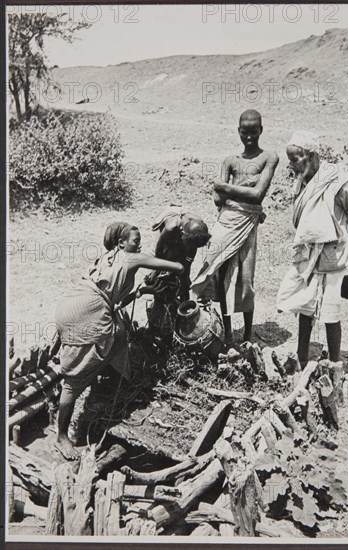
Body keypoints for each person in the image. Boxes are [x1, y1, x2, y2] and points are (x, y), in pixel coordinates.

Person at [54, 222, 183, 460]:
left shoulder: (107, 258)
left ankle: (113, 378)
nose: (139, 245)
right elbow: (175, 266)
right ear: (121, 243)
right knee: (75, 378)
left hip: (73, 304)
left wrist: (141, 292)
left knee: (119, 334)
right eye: (135, 241)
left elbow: (112, 300)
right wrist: (175, 247)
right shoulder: (129, 258)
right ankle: (61, 436)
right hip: (87, 312)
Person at [277, 130, 348, 369]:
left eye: (296, 158)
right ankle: (302, 359)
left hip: (333, 254)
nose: (292, 164)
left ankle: (335, 363)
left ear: (311, 156)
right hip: (309, 254)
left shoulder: (338, 178)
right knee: (306, 308)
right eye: (290, 159)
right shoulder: (302, 180)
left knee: (331, 312)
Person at [191, 109, 279, 344]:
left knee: (246, 279)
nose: (248, 137)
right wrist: (231, 192)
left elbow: (258, 194)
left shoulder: (269, 157)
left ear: (261, 130)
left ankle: (248, 334)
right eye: (244, 132)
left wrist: (226, 187)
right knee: (218, 272)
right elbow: (218, 200)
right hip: (227, 221)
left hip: (247, 224)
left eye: (253, 131)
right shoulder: (230, 161)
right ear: (238, 131)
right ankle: (228, 332)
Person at [146, 207, 211, 302]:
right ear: (181, 233)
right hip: (168, 230)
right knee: (167, 259)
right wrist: (156, 272)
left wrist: (185, 275)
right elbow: (159, 252)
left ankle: (184, 300)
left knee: (184, 276)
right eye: (188, 244)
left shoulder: (199, 229)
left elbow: (190, 257)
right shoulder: (170, 228)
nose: (190, 247)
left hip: (187, 233)